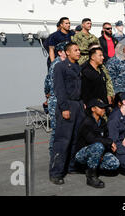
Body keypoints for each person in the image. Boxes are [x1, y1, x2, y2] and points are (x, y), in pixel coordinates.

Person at [49, 42, 85, 185]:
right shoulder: (60, 67)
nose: (79, 52)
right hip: (67, 105)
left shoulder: (77, 67)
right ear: (67, 52)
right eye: (75, 50)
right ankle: (56, 172)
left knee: (75, 139)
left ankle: (70, 166)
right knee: (62, 140)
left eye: (79, 49)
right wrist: (64, 108)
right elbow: (59, 88)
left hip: (78, 105)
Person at [74, 99, 120, 188]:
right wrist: (110, 142)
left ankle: (91, 167)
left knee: (115, 163)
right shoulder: (86, 122)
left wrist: (107, 147)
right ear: (93, 109)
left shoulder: (102, 122)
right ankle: (91, 176)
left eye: (104, 108)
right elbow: (91, 139)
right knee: (98, 146)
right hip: (82, 154)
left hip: (98, 151)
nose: (104, 110)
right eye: (101, 107)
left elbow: (105, 137)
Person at [44, 41, 67, 157]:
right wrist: (48, 95)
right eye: (66, 50)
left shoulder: (65, 64)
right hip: (56, 101)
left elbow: (46, 83)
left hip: (60, 100)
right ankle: (53, 154)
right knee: (57, 129)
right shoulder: (57, 65)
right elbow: (50, 83)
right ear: (60, 52)